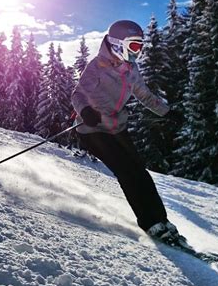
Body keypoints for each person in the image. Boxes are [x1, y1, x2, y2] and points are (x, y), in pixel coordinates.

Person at [71, 20, 182, 243]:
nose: (137, 52)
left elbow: (145, 95)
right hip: (93, 129)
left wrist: (167, 112)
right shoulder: (97, 66)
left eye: (140, 47)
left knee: (140, 171)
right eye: (133, 46)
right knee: (127, 171)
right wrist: (86, 111)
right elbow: (78, 94)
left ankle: (162, 220)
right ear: (117, 43)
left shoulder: (132, 70)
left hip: (116, 127)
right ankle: (150, 223)